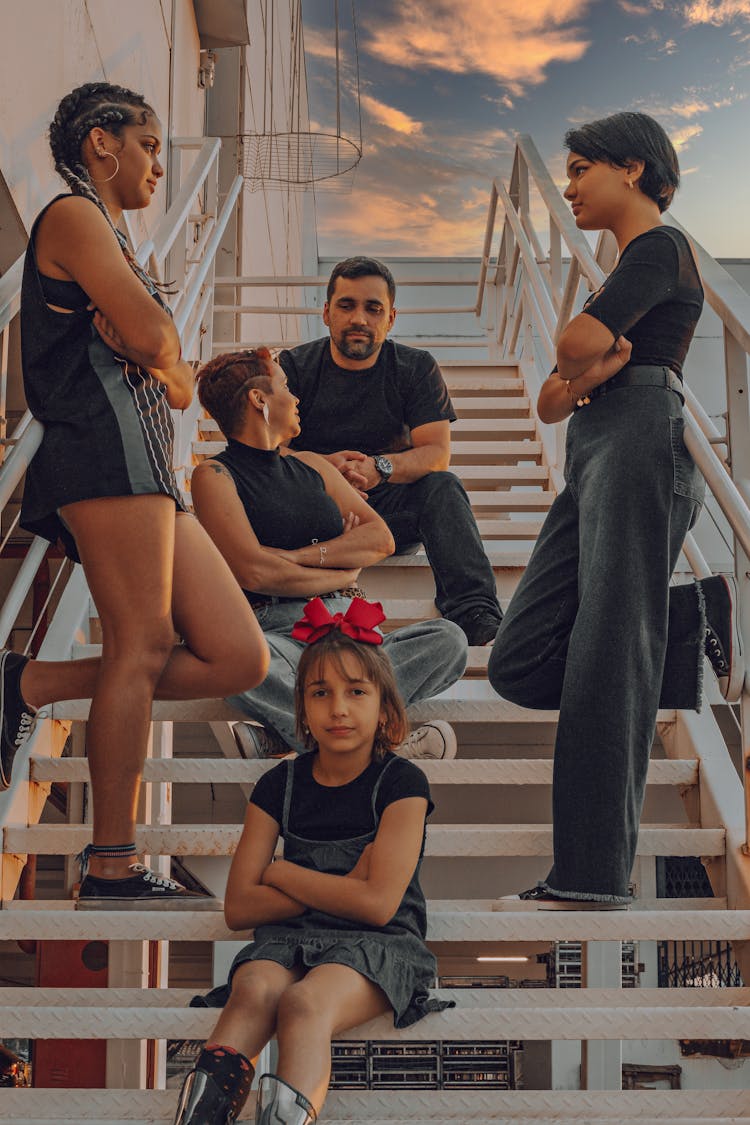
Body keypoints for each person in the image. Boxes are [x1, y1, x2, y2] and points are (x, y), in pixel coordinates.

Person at [2, 82, 269, 909]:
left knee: (239, 653)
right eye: (149, 144)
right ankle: (110, 864)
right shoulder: (74, 217)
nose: (159, 163)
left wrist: (157, 348)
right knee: (143, 642)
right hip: (102, 451)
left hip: (150, 459)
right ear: (100, 144)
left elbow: (183, 382)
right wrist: (153, 344)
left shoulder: (120, 243)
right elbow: (158, 342)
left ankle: (31, 684)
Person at [488, 111, 742, 908]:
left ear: (631, 168)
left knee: (604, 657)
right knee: (519, 656)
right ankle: (685, 626)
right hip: (597, 447)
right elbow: (552, 397)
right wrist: (588, 367)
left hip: (640, 437)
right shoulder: (623, 267)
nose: (568, 187)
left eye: (580, 170)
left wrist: (585, 362)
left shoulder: (661, 248)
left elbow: (569, 350)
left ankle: (592, 876)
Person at [172, 606, 452, 1125]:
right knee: (253, 987)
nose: (338, 708)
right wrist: (345, 881)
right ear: (301, 710)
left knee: (303, 1005)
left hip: (380, 945)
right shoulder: (278, 786)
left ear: (386, 710)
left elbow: (376, 905)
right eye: (320, 693)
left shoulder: (402, 784)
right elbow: (238, 906)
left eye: (356, 692)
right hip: (286, 939)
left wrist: (281, 873)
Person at [192, 347, 468, 761]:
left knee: (449, 640)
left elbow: (380, 539)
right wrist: (341, 570)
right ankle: (380, 744)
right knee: (237, 659)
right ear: (258, 399)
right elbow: (253, 571)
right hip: (276, 633)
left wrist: (297, 557)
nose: (296, 399)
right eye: (285, 388)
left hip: (348, 625)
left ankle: (289, 738)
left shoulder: (313, 466)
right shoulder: (214, 475)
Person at [277, 256, 503, 646]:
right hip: (314, 509)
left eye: (373, 308)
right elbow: (268, 451)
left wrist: (379, 467)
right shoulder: (294, 367)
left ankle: (474, 612)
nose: (359, 318)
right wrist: (325, 469)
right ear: (327, 313)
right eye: (347, 306)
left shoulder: (415, 368)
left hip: (388, 513)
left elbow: (436, 453)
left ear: (391, 318)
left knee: (443, 487)